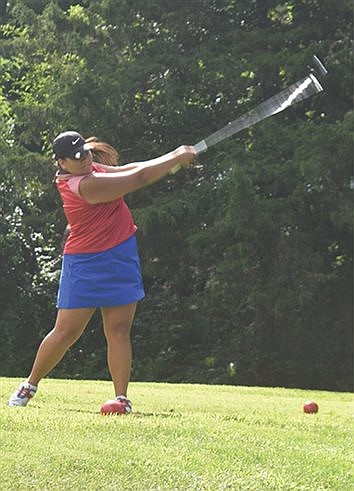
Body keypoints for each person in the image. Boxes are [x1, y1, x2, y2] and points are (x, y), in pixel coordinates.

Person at [8, 131, 196, 413]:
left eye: (85, 152)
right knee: (66, 332)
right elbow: (138, 179)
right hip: (84, 262)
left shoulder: (91, 167)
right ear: (61, 163)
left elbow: (129, 169)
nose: (84, 159)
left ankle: (121, 398)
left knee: (119, 330)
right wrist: (175, 160)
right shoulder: (82, 184)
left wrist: (174, 156)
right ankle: (29, 385)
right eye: (75, 158)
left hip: (120, 254)